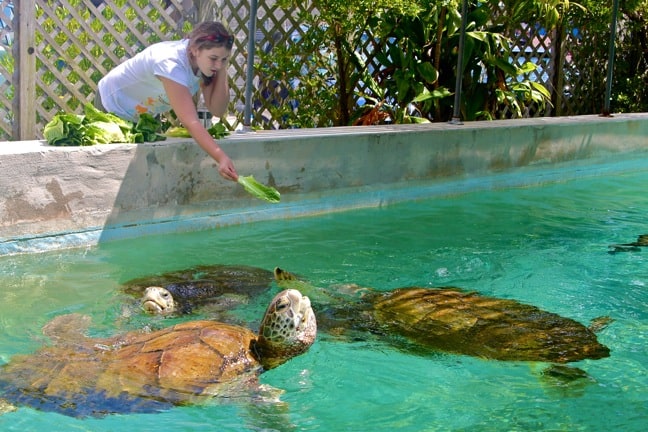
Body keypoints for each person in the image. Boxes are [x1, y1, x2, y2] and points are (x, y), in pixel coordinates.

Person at [95, 21, 238, 182]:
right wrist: (221, 157)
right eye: (214, 58)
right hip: (113, 104)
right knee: (115, 176)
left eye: (224, 59)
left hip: (144, 115)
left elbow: (217, 110)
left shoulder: (205, 63)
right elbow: (190, 122)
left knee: (144, 175)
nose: (218, 65)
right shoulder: (171, 64)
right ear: (195, 50)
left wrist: (222, 68)